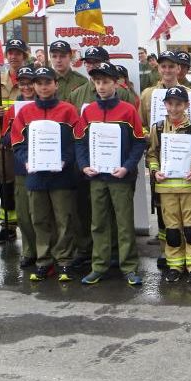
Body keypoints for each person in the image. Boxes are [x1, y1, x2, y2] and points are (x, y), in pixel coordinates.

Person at [76, 62, 148, 286]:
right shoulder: (88, 111)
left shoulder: (128, 110)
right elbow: (80, 142)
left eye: (106, 82)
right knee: (98, 223)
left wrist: (126, 166)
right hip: (97, 177)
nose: (101, 86)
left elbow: (138, 143)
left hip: (120, 177)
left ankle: (129, 267)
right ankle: (99, 266)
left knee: (124, 223)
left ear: (116, 83)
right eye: (97, 82)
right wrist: (84, 165)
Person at [12, 66, 83, 282]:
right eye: (39, 83)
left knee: (64, 219)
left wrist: (64, 160)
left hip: (61, 174)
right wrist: (26, 160)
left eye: (47, 82)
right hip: (35, 176)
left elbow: (77, 140)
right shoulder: (25, 112)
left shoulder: (68, 110)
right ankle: (44, 261)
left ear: (56, 84)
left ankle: (64, 261)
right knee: (40, 220)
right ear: (33, 86)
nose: (44, 87)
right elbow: (17, 142)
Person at [148, 85, 191, 283]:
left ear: (186, 105)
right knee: (172, 230)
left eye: (179, 104)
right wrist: (155, 171)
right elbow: (152, 155)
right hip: (166, 188)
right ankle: (175, 265)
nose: (174, 108)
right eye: (170, 104)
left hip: (189, 187)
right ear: (165, 104)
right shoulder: (157, 128)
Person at [0, 38, 29, 243]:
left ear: (24, 56)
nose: (13, 56)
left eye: (18, 53)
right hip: (5, 140)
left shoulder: (31, 78)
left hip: (26, 139)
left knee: (26, 185)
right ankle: (8, 226)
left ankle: (28, 226)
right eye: (10, 52)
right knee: (5, 183)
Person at [3, 66, 38, 268]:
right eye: (22, 83)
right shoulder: (13, 110)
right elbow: (4, 139)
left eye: (29, 82)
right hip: (21, 167)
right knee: (24, 214)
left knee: (41, 214)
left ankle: (46, 251)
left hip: (44, 166)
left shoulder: (46, 106)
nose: (26, 87)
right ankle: (28, 251)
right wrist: (20, 133)